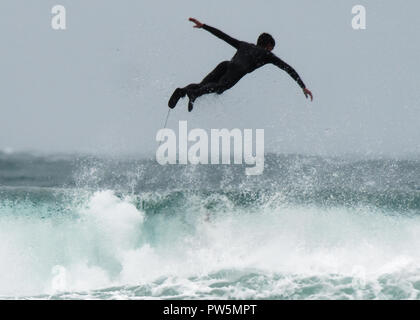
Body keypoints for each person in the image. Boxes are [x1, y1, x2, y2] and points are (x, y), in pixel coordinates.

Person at [169, 18, 313, 112]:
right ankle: (194, 93)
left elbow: (223, 36)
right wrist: (302, 86)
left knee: (202, 85)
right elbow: (287, 68)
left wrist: (204, 26)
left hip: (226, 64)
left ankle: (183, 91)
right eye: (272, 48)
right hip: (237, 70)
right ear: (268, 46)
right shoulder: (267, 54)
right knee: (220, 87)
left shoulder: (244, 45)